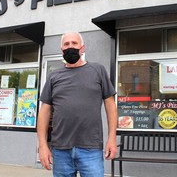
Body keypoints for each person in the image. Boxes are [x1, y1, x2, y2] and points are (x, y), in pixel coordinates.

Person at [37, 32, 118, 177]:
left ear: (83, 48)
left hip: (91, 149)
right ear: (61, 50)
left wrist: (112, 138)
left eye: (74, 43)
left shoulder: (97, 70)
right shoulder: (53, 77)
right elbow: (44, 111)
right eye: (66, 44)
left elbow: (110, 105)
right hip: (61, 150)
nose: (70, 47)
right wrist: (43, 145)